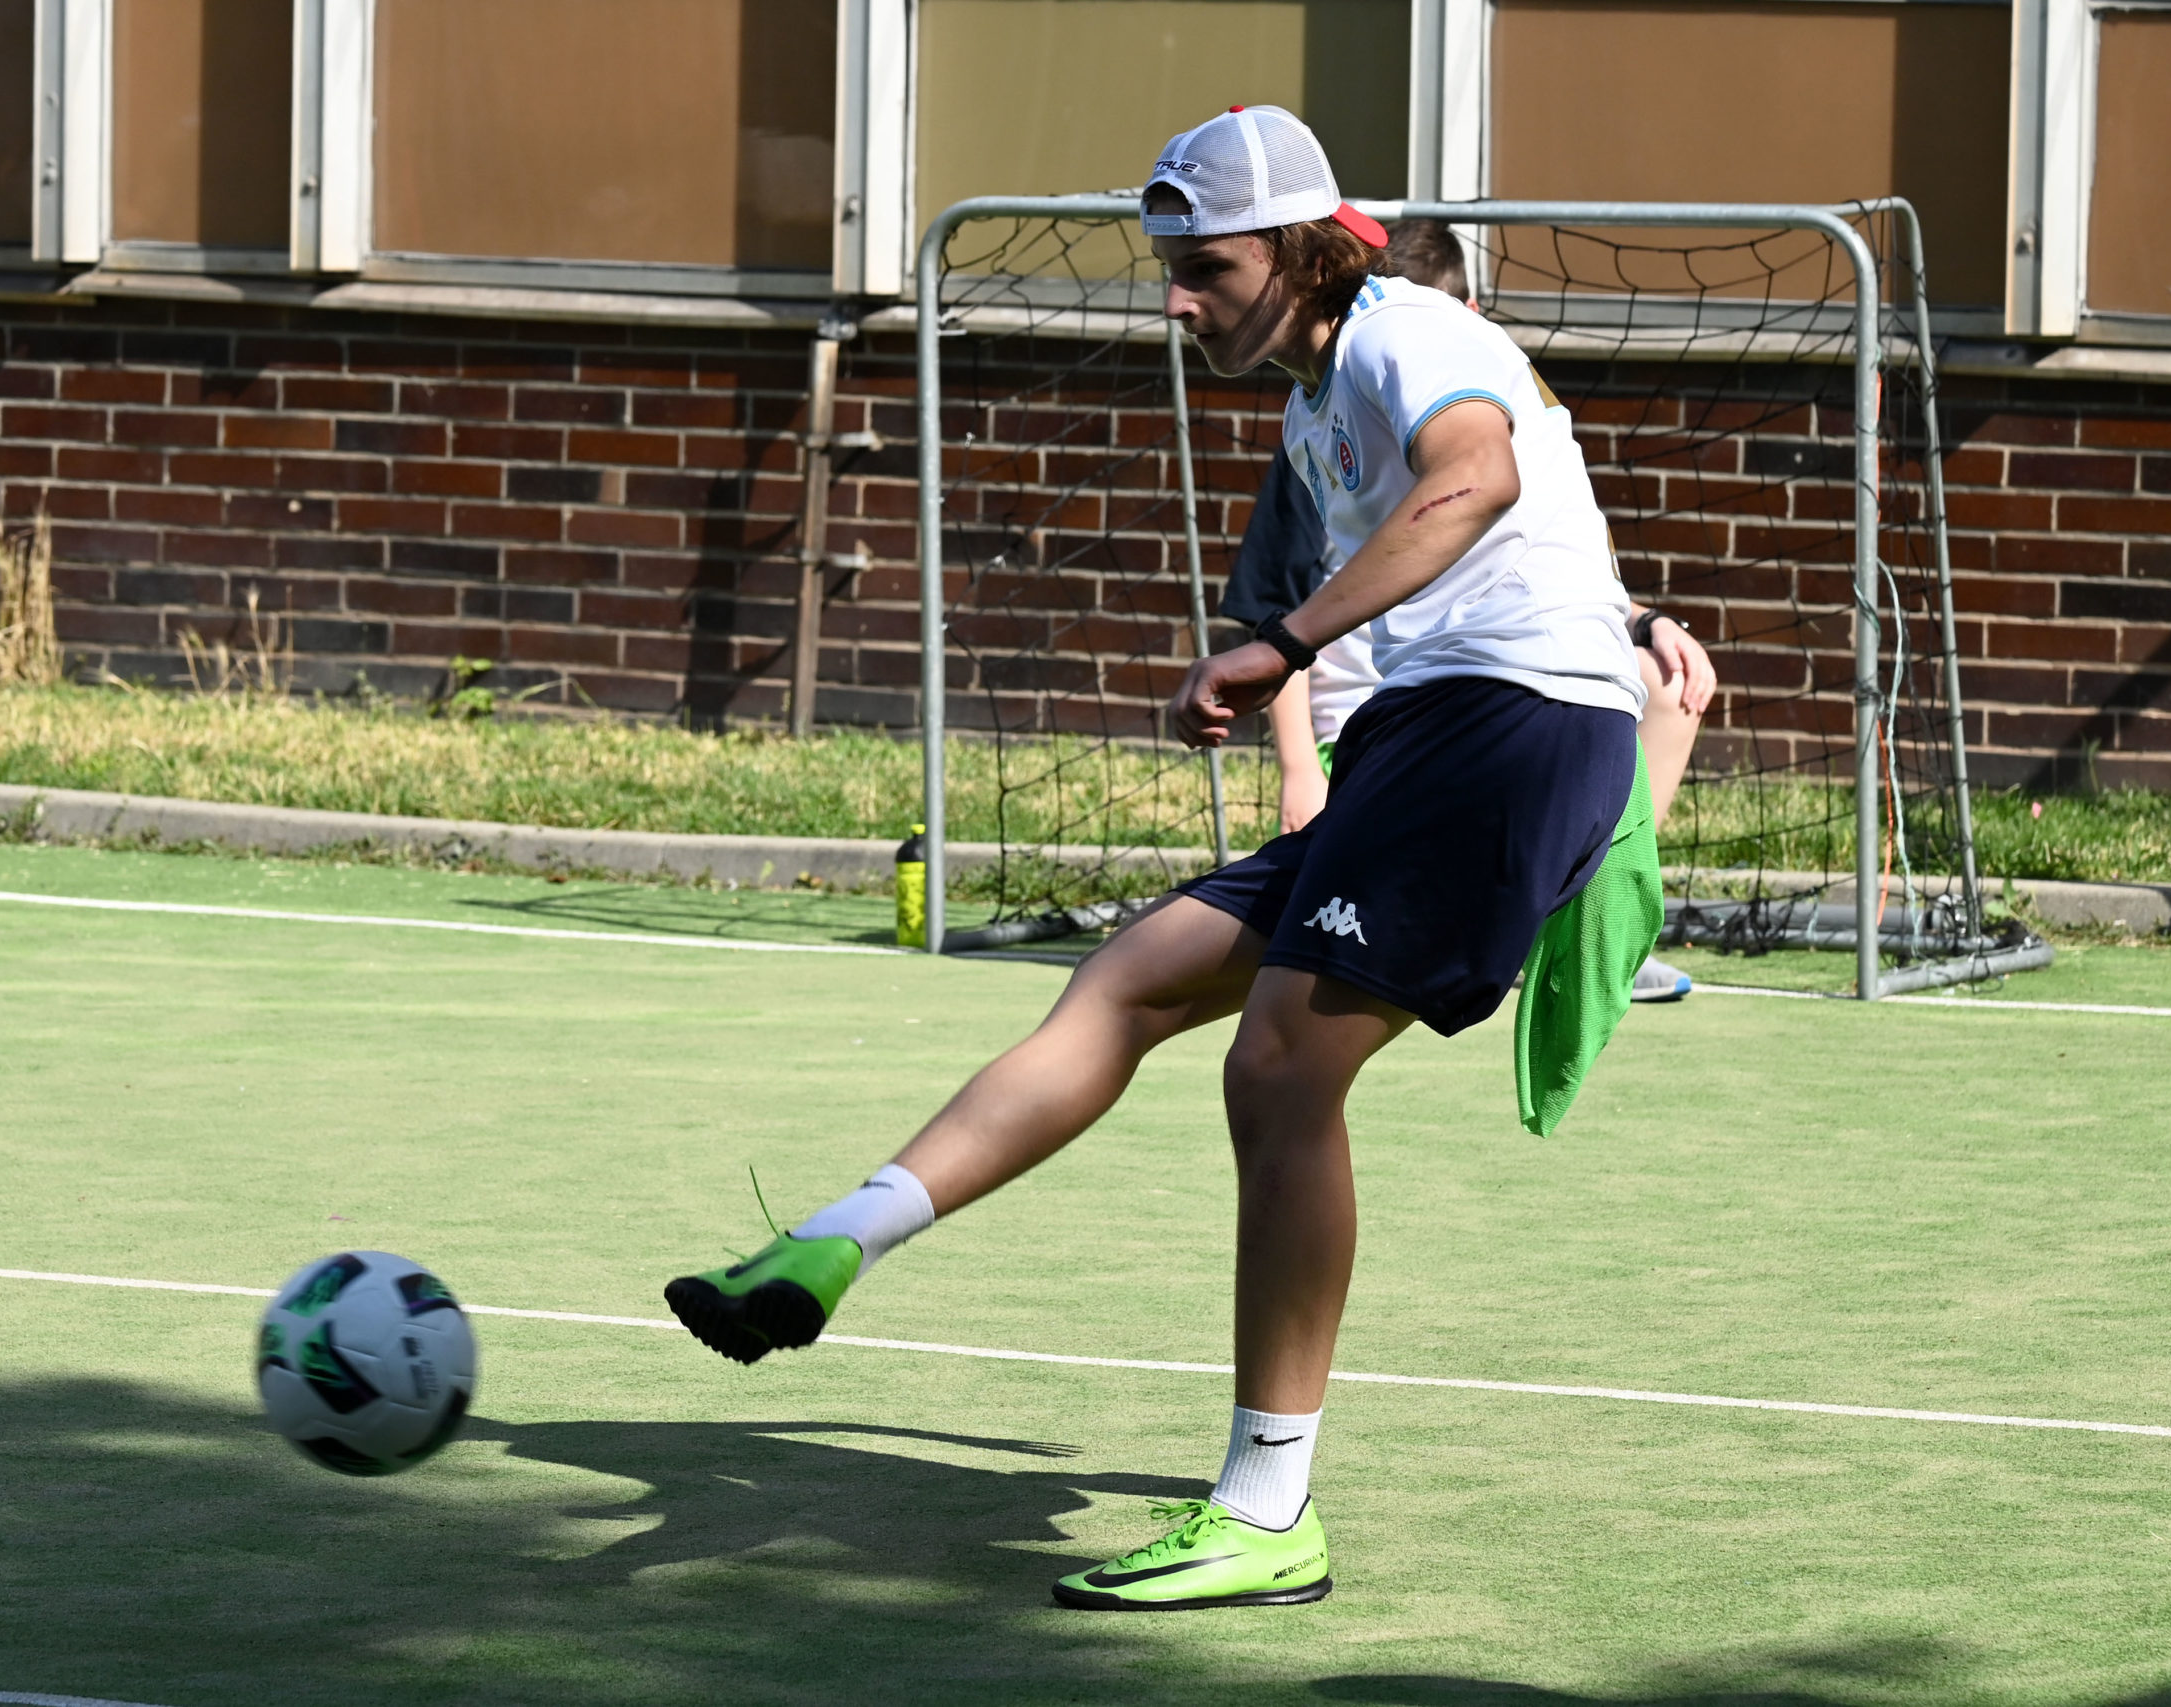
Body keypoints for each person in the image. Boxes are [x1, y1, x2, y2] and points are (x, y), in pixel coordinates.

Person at [664, 106, 1659, 1612]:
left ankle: (1267, 1506)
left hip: (1506, 723)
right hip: (1437, 732)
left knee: (1277, 1069)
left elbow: (1481, 478)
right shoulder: (1316, 404)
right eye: (1170, 271)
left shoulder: (1404, 330)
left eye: (1207, 270)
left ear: (1302, 254)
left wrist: (1282, 644)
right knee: (1128, 977)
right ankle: (828, 1245)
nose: (1178, 303)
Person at [1222, 217, 1713, 1003]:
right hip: (1375, 722)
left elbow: (1524, 561)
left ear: (1469, 316)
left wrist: (1644, 619)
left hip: (1498, 703)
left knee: (1665, 679)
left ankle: (1573, 910)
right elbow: (1274, 615)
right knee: (1238, 1013)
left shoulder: (1478, 397)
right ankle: (1508, 914)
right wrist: (1298, 769)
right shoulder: (1326, 422)